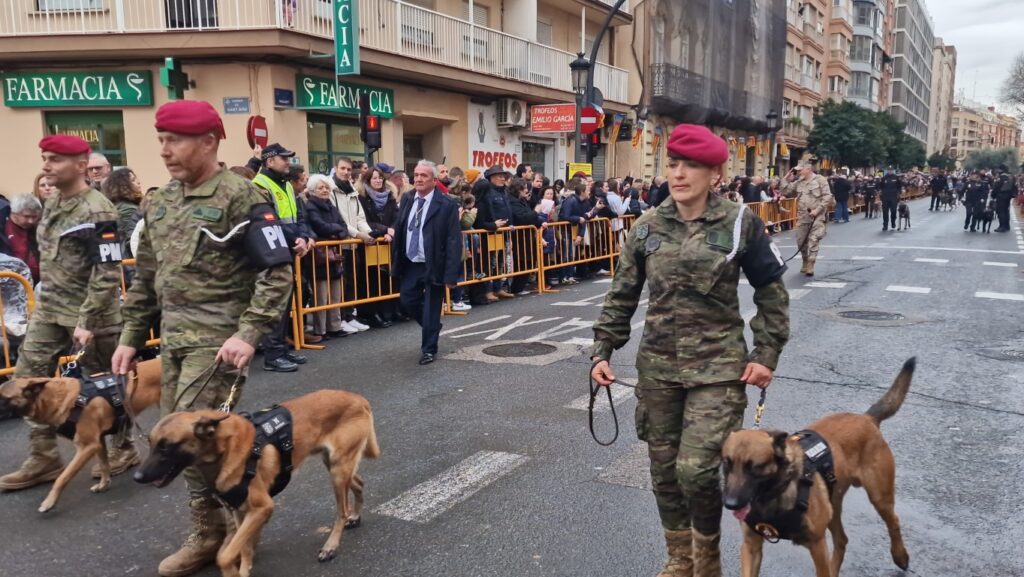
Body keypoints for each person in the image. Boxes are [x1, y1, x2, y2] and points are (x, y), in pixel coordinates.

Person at [591, 124, 789, 577]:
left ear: (715, 173)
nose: (678, 174)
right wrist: (602, 349)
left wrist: (766, 354)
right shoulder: (646, 227)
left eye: (691, 166)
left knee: (697, 470)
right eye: (673, 164)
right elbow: (622, 294)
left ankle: (706, 562)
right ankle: (680, 560)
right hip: (658, 370)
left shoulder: (741, 222)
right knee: (663, 473)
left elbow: (771, 292)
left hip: (719, 370)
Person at [110, 100, 293, 577]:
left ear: (209, 142)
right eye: (162, 141)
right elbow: (147, 276)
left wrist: (249, 333)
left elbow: (276, 273)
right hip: (171, 340)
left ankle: (217, 530)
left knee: (187, 438)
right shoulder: (160, 201)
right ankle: (223, 521)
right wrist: (131, 337)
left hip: (217, 344)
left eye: (176, 140)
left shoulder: (242, 196)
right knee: (183, 438)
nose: (166, 151)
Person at [0, 135, 126, 492]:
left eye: (55, 159)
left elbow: (107, 270)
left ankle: (123, 446)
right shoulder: (52, 203)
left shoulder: (98, 210)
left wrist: (86, 320)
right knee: (26, 377)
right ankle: (43, 458)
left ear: (81, 166)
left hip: (91, 313)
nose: (46, 165)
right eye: (45, 158)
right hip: (50, 308)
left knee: (107, 386)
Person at [391, 160, 462, 365]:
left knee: (432, 308)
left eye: (424, 176)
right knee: (407, 299)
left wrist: (451, 275)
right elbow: (401, 226)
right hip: (411, 262)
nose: (419, 179)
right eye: (416, 175)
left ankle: (429, 349)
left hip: (434, 263)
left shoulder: (446, 204)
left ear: (433, 179)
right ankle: (431, 327)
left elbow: (453, 240)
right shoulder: (407, 198)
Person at [253, 143, 316, 365]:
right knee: (273, 304)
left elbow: (298, 216)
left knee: (285, 303)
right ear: (270, 161)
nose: (288, 162)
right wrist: (296, 239)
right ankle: (273, 355)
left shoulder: (286, 185)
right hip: (271, 251)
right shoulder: (259, 185)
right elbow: (270, 219)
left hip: (288, 248)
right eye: (284, 158)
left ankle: (282, 349)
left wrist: (304, 237)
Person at [331, 157, 374, 334]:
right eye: (343, 168)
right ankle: (341, 318)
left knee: (351, 282)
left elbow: (359, 218)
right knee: (341, 282)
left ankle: (350, 316)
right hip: (341, 243)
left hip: (353, 244)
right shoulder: (332, 191)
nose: (346, 172)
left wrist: (368, 233)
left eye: (349, 169)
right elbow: (338, 219)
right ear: (336, 169)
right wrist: (358, 234)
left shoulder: (352, 192)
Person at [304, 174, 349, 341]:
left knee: (336, 293)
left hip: (334, 254)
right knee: (321, 295)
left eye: (326, 187)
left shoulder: (331, 206)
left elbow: (343, 227)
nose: (324, 190)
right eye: (320, 188)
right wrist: (336, 231)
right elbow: (319, 226)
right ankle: (320, 330)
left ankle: (335, 326)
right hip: (320, 256)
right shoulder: (310, 206)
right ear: (312, 190)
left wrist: (337, 233)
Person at [357, 166, 399, 327]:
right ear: (367, 180)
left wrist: (392, 230)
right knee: (371, 279)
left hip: (389, 240)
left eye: (380, 177)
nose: (378, 180)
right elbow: (364, 220)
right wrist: (383, 230)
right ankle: (370, 313)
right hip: (372, 241)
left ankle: (388, 311)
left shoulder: (389, 196)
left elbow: (396, 216)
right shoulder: (362, 197)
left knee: (387, 278)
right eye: (374, 178)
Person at [781, 163, 832, 276]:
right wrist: (786, 178)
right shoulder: (799, 182)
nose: (799, 172)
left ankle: (811, 263)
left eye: (801, 170)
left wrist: (818, 210)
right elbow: (785, 191)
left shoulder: (820, 180)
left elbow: (827, 196)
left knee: (814, 239)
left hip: (817, 216)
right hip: (802, 216)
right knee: (801, 241)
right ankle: (805, 260)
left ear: (808, 169)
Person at [474, 165, 516, 301]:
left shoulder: (504, 191)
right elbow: (482, 218)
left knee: (499, 261)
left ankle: (498, 288)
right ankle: (487, 290)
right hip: (489, 233)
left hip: (502, 232)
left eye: (504, 175)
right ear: (491, 177)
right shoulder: (487, 193)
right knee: (487, 262)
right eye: (499, 175)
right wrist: (493, 225)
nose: (503, 178)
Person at [100, 167, 144, 257]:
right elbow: (132, 238)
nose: (138, 182)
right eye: (133, 180)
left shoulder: (113, 205)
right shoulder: (128, 209)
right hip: (128, 258)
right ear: (123, 186)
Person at [0, 194, 42, 282]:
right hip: (8, 281)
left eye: (34, 217)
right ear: (14, 213)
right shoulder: (3, 226)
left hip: (34, 281)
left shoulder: (37, 228)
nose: (31, 221)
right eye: (26, 216)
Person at [992, 165, 1016, 232]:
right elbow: (1014, 186)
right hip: (1008, 196)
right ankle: (1007, 226)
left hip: (1001, 196)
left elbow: (996, 187)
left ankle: (1002, 226)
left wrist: (993, 195)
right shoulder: (1011, 177)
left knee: (1000, 211)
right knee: (1006, 211)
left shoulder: (1001, 177)